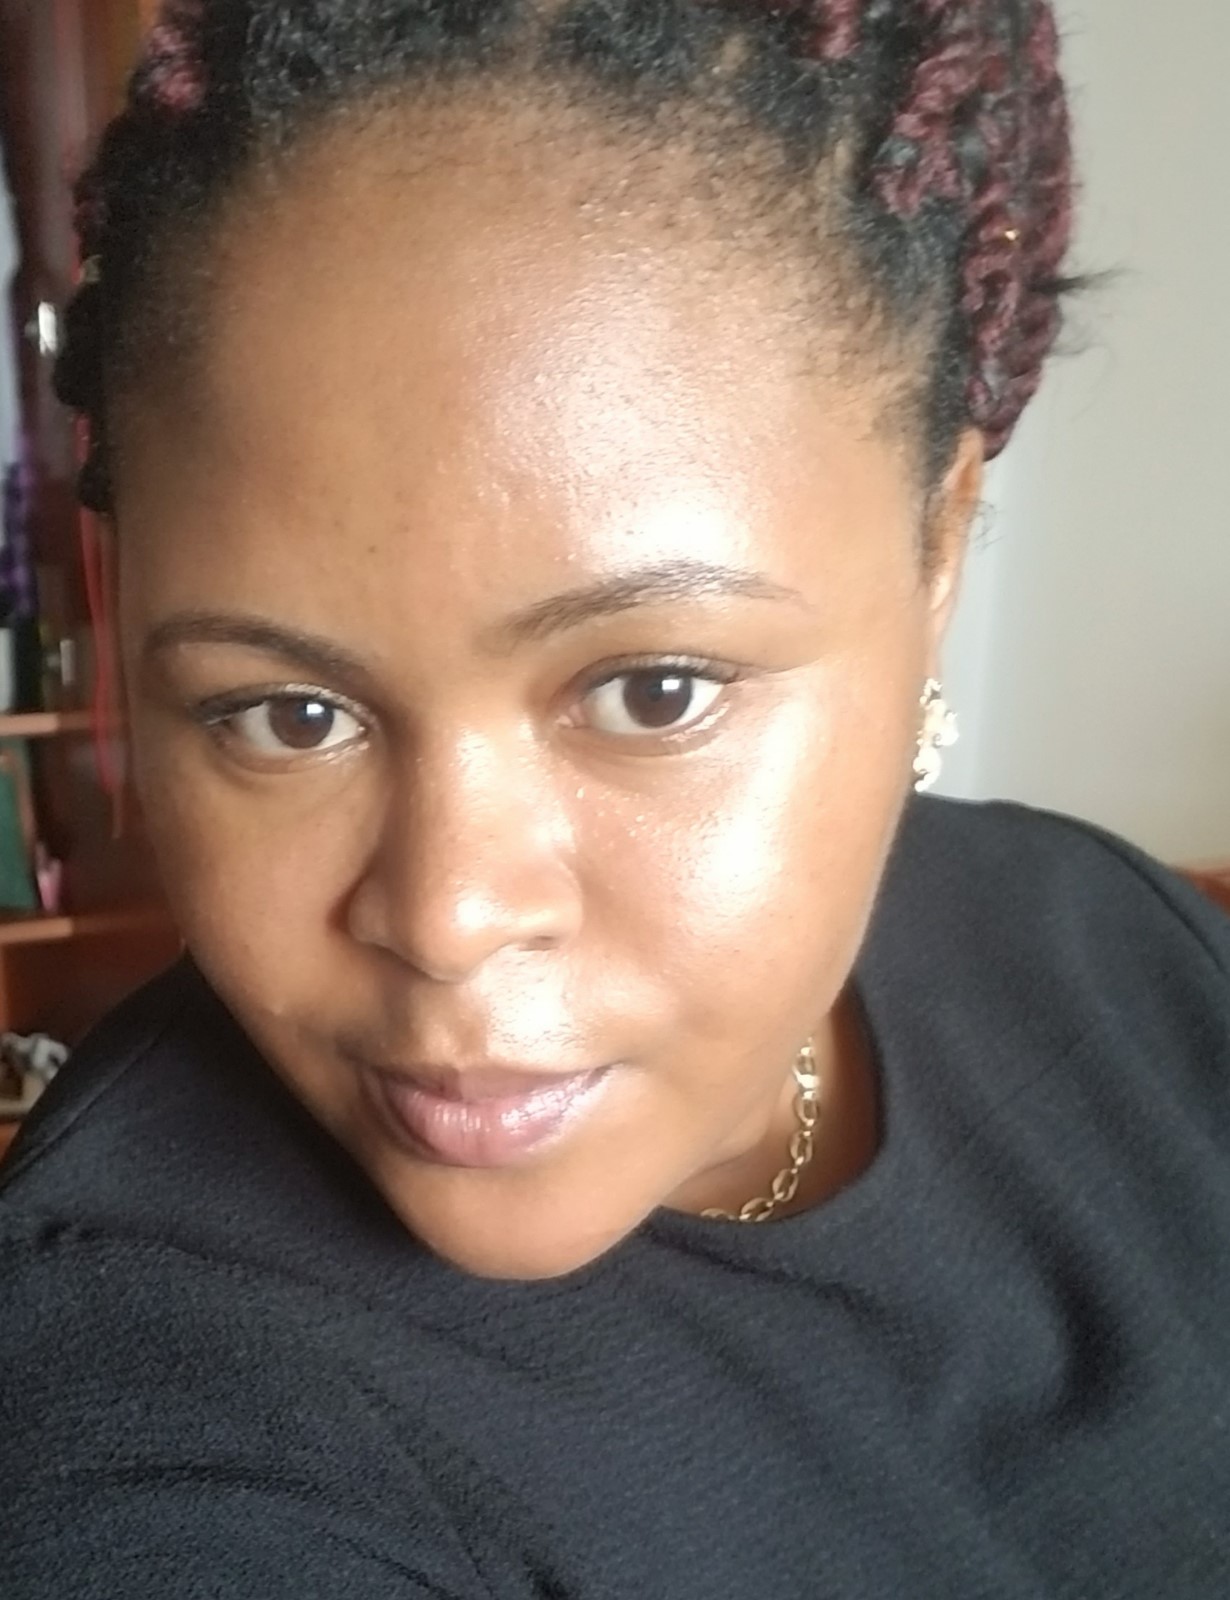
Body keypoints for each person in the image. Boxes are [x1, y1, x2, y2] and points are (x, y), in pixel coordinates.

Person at [2, 1, 1227, 1594]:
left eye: (655, 691)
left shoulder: (1113, 947)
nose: (447, 919)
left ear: (933, 552)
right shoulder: (144, 1403)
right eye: (285, 716)